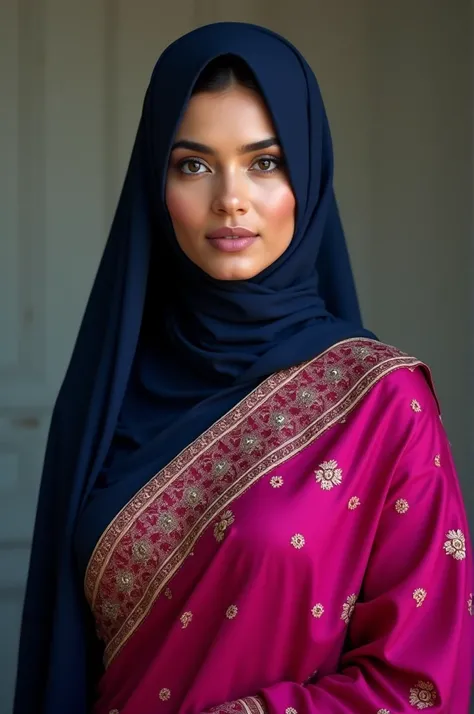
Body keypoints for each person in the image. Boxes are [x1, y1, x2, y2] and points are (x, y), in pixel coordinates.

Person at [14, 21, 472, 714]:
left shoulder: (381, 403)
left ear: (309, 176)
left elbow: (419, 679)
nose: (231, 198)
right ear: (154, 183)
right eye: (193, 164)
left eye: (266, 162)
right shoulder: (107, 395)